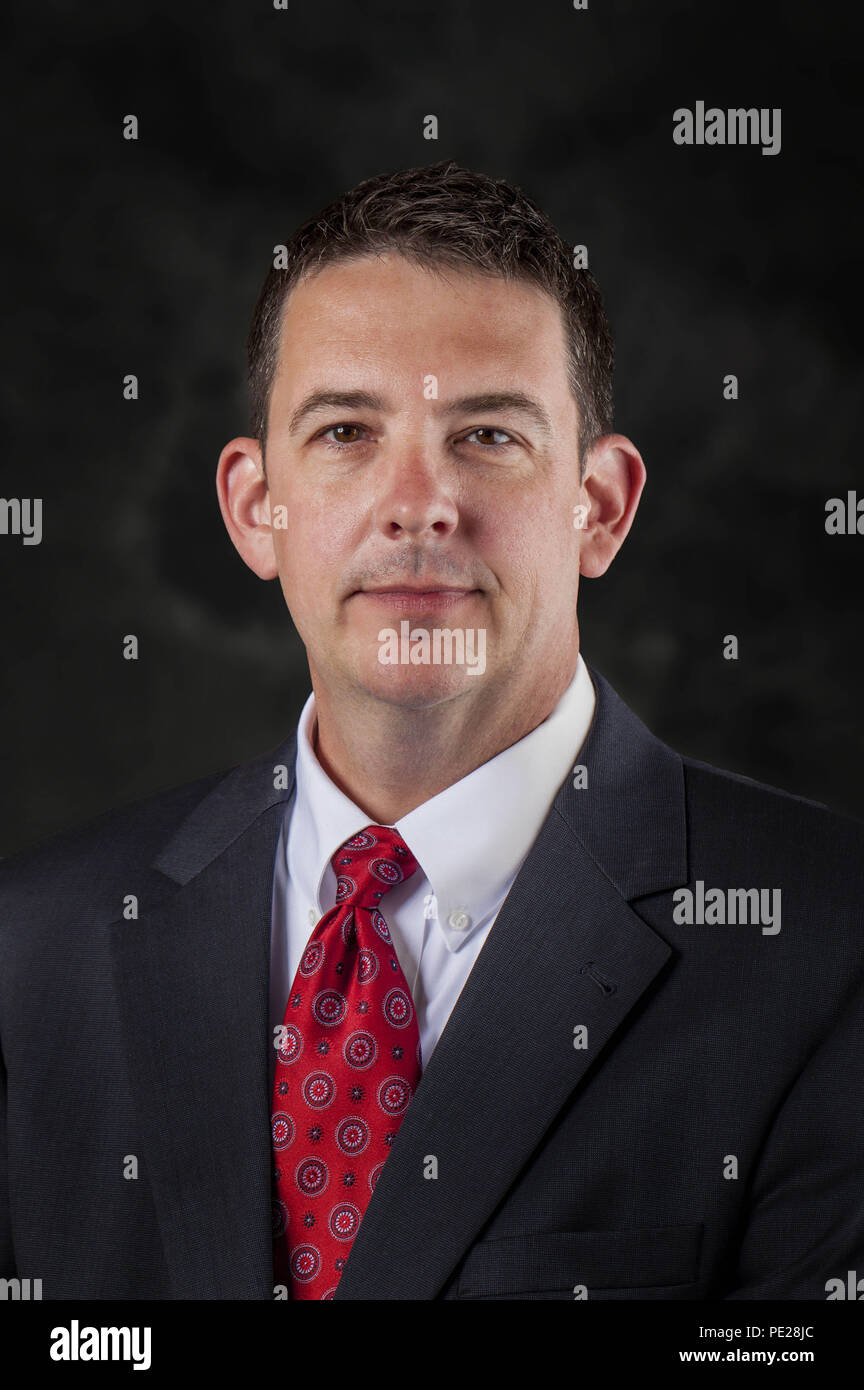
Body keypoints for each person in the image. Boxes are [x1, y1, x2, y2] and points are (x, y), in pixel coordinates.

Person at [1, 161, 862, 1302]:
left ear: (598, 508)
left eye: (490, 435)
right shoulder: (32, 948)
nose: (420, 502)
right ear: (256, 507)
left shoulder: (830, 945)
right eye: (348, 429)